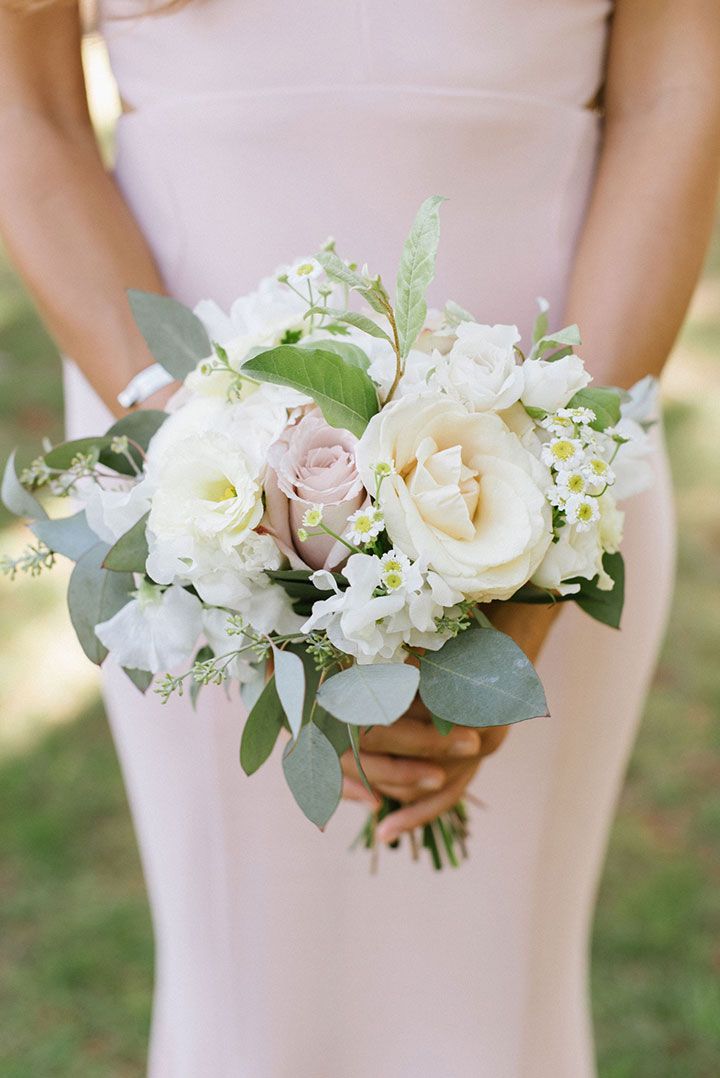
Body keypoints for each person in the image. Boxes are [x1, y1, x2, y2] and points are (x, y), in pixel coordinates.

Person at [1, 2, 718, 1075]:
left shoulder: (560, 502)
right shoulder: (194, 490)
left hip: (563, 438)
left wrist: (542, 539)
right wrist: (202, 472)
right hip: (187, 479)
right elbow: (29, 101)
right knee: (247, 1012)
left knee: (496, 1007)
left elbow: (674, 89)